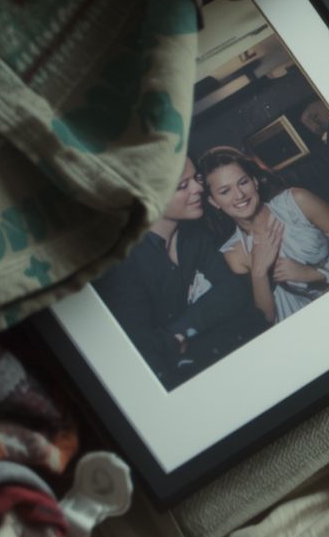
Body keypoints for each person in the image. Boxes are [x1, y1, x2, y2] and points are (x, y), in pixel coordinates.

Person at [90, 157, 256, 388]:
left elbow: (234, 291)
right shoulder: (121, 262)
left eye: (196, 178)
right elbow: (141, 350)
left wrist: (175, 334)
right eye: (182, 186)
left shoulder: (194, 237)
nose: (199, 188)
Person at [197, 146, 329, 325]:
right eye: (225, 191)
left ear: (255, 182)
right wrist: (259, 272)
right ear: (214, 201)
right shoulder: (233, 254)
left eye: (243, 182)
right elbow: (266, 321)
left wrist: (315, 274)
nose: (239, 195)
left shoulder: (297, 201)